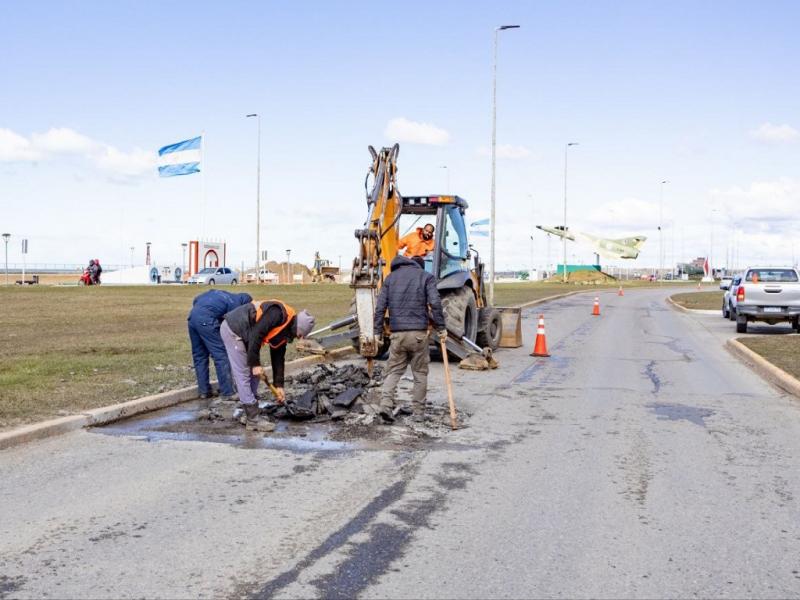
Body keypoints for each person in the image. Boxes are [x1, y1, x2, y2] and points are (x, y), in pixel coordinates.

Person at [373, 255, 446, 422]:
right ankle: (418, 413)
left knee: (394, 371)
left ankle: (385, 405)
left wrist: (377, 332)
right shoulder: (426, 277)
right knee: (420, 373)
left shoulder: (391, 278)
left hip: (397, 334)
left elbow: (380, 308)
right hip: (419, 334)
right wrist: (441, 328)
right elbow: (435, 303)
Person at [221, 299, 316, 423]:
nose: (299, 338)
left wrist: (279, 386)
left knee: (255, 375)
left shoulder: (285, 331)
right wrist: (255, 364)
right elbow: (256, 334)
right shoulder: (277, 313)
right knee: (244, 373)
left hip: (248, 335)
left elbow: (278, 357)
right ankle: (253, 418)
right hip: (233, 329)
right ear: (298, 326)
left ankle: (249, 408)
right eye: (299, 335)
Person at [188, 290, 253, 400]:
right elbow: (233, 328)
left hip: (192, 319)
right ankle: (228, 392)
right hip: (206, 321)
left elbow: (196, 300)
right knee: (221, 356)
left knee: (200, 357)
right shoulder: (236, 305)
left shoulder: (223, 294)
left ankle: (204, 391)